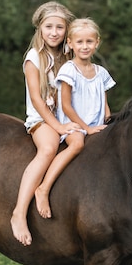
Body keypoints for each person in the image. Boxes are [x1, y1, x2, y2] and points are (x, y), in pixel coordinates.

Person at [10, 1, 81, 247]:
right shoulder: (34, 58)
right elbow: (38, 100)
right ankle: (19, 213)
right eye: (48, 26)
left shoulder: (66, 56)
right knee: (49, 148)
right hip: (42, 119)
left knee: (82, 143)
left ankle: (59, 192)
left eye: (60, 27)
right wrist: (59, 127)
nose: (54, 32)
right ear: (39, 28)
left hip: (64, 116)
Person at [34, 17, 116, 220]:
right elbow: (66, 106)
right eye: (79, 42)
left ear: (97, 43)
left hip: (96, 125)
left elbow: (104, 103)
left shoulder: (101, 73)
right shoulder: (69, 70)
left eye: (89, 42)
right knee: (78, 144)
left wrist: (108, 121)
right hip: (75, 125)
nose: (85, 46)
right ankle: (43, 188)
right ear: (70, 44)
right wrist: (86, 129)